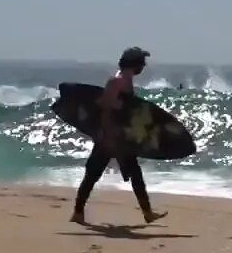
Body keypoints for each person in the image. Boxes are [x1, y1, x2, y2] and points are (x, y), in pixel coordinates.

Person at [71, 46, 166, 225]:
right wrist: (108, 135)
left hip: (121, 137)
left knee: (132, 174)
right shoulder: (117, 81)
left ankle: (147, 212)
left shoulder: (126, 81)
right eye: (142, 63)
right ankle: (77, 212)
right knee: (93, 174)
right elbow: (105, 107)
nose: (144, 66)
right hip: (110, 137)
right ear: (135, 64)